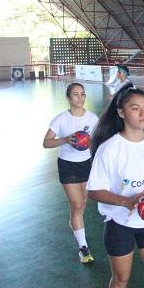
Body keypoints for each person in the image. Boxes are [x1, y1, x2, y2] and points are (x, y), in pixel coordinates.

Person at [87, 84, 144, 288]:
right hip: (120, 223)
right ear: (121, 112)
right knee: (121, 280)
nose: (143, 113)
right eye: (135, 109)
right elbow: (94, 190)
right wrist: (125, 201)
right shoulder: (110, 149)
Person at [43, 83, 99, 264]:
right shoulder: (61, 119)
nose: (80, 98)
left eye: (82, 94)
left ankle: (75, 224)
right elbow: (46, 142)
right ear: (68, 97)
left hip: (87, 164)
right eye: (75, 94)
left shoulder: (92, 118)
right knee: (76, 206)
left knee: (82, 205)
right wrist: (66, 139)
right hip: (68, 165)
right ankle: (83, 249)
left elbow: (98, 139)